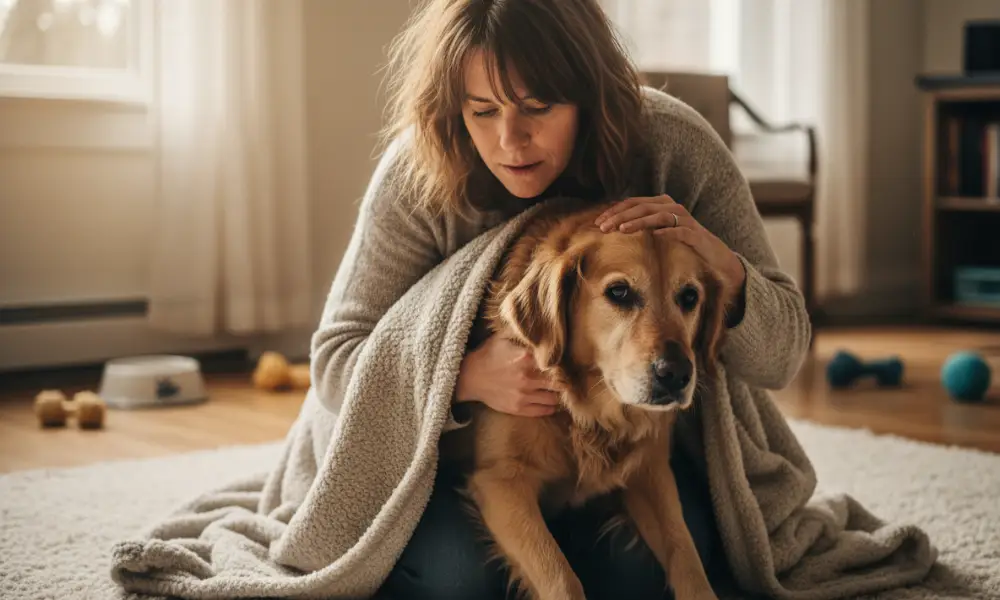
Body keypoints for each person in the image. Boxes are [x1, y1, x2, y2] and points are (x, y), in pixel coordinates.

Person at [309, 0, 812, 598]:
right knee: (460, 583)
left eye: (538, 105)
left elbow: (783, 355)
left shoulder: (675, 144)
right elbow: (335, 361)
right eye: (482, 110)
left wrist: (724, 268)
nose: (510, 139)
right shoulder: (417, 173)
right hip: (450, 462)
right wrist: (462, 376)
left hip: (627, 449)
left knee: (637, 579)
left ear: (590, 93)